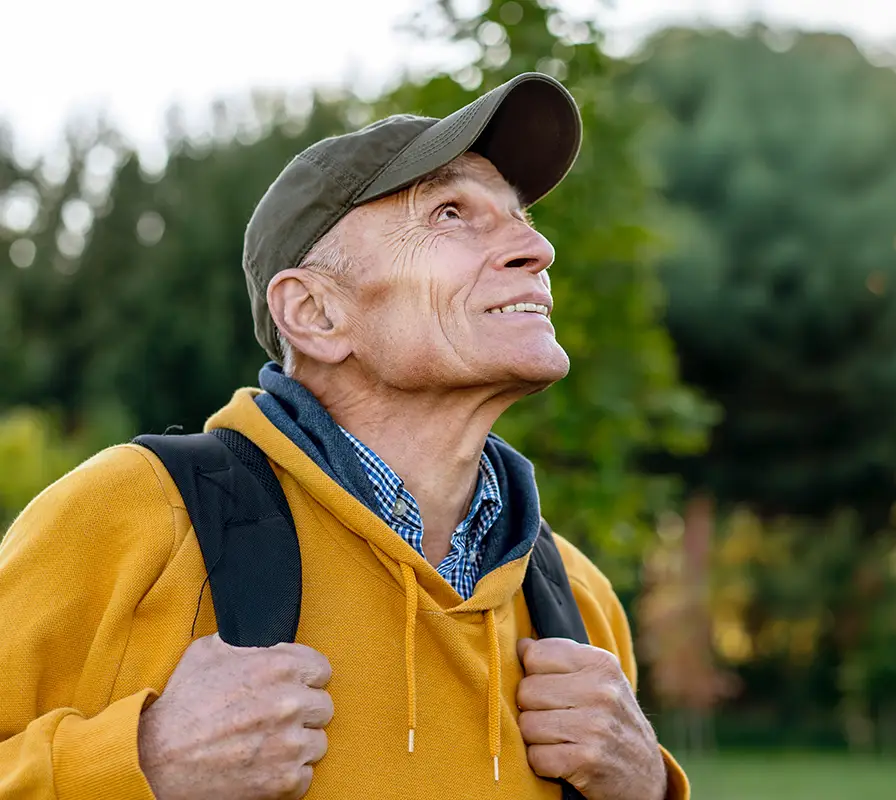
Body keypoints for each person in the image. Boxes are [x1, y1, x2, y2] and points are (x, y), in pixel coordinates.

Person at [0, 72, 689, 799]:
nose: (536, 247)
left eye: (519, 216)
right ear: (315, 314)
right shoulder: (131, 518)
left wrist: (646, 787)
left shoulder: (578, 600)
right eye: (452, 213)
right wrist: (139, 763)